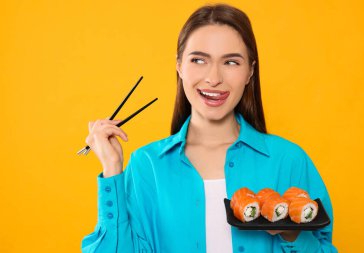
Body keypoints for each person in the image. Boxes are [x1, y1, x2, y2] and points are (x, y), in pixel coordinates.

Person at [81, 3, 337, 253]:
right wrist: (112, 171)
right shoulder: (146, 166)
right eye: (199, 60)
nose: (214, 78)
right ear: (179, 65)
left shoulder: (289, 160)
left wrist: (291, 233)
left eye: (231, 62)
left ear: (250, 72)